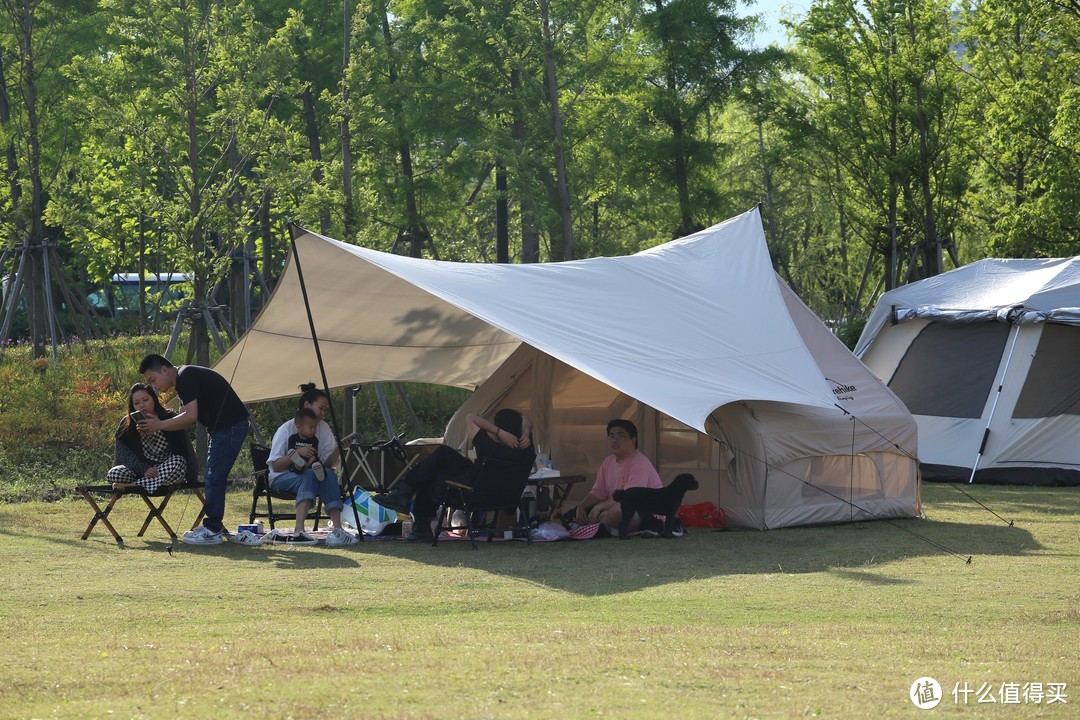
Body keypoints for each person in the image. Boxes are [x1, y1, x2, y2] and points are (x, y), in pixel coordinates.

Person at [375, 409, 535, 542]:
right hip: (501, 496)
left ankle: (409, 502)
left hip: (469, 494)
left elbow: (471, 418)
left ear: (501, 428)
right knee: (443, 455)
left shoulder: (489, 448)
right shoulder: (527, 450)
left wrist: (499, 433)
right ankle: (406, 496)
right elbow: (526, 419)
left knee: (433, 474)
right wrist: (526, 432)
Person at [138, 353, 249, 546]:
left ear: (164, 370)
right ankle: (213, 526)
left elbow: (190, 417)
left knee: (214, 476)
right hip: (224, 428)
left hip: (229, 426)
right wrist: (157, 420)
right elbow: (182, 417)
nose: (154, 386)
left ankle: (213, 529)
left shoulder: (186, 376)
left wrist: (159, 424)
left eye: (153, 380)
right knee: (214, 475)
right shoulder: (184, 379)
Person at [266, 383, 358, 546]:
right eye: (321, 408)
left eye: (325, 410)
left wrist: (338, 449)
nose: (323, 414)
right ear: (307, 405)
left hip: (312, 473)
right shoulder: (286, 429)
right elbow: (275, 466)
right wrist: (296, 455)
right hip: (282, 477)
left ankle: (338, 531)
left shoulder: (323, 428)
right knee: (308, 474)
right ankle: (299, 530)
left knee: (329, 474)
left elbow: (328, 465)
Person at [571, 419, 662, 535]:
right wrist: (581, 507)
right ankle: (602, 528)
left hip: (646, 511)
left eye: (620, 436)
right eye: (611, 436)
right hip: (614, 506)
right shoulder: (608, 462)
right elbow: (598, 492)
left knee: (618, 511)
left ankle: (600, 528)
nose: (615, 440)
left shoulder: (639, 462)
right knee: (578, 512)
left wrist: (599, 507)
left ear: (633, 440)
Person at [107, 382, 198, 492]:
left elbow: (183, 448)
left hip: (166, 470)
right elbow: (122, 453)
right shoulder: (127, 424)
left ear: (153, 399)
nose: (142, 405)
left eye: (145, 400)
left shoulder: (169, 417)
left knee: (179, 462)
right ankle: (145, 483)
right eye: (136, 403)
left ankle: (134, 485)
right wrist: (144, 469)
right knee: (115, 473)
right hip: (142, 471)